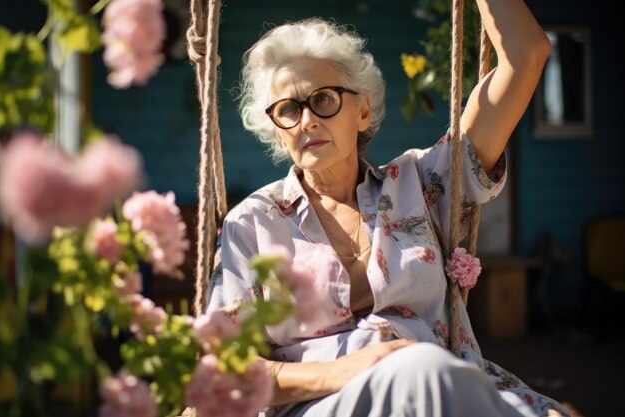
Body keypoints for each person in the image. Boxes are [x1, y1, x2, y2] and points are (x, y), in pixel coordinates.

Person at [208, 1, 570, 416]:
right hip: (323, 404)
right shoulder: (253, 224)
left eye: (323, 99)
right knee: (420, 366)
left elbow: (526, 55)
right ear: (277, 129)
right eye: (288, 109)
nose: (306, 120)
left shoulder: (421, 184)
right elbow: (227, 368)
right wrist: (342, 371)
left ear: (362, 111)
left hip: (440, 389)